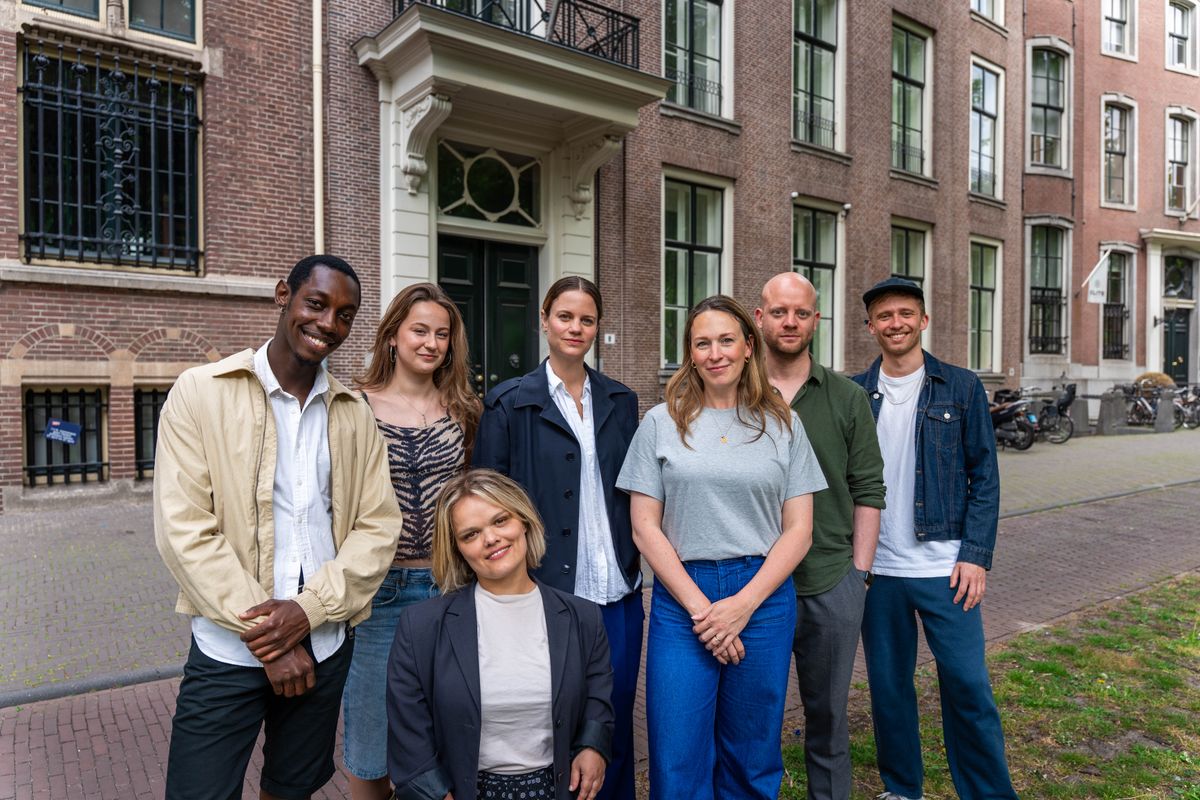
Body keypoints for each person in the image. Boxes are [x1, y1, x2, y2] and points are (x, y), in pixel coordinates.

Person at [154, 254, 402, 800]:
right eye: (316, 304)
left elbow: (378, 528)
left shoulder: (353, 413)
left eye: (344, 315)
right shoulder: (200, 392)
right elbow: (184, 529)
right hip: (228, 649)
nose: (328, 323)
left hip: (324, 644)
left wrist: (308, 613)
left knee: (291, 789)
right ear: (282, 295)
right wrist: (272, 640)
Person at [616, 295, 827, 800]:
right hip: (682, 598)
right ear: (689, 353)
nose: (715, 354)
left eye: (726, 340)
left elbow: (799, 530)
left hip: (763, 597)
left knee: (752, 753)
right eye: (702, 343)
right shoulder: (660, 423)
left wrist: (742, 606)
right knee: (677, 753)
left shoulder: (783, 423)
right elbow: (644, 527)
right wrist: (704, 612)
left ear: (749, 346)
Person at [473, 276, 642, 800]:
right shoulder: (508, 404)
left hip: (617, 591)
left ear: (597, 326)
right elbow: (488, 505)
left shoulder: (622, 401)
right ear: (543, 320)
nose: (576, 328)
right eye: (565, 317)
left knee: (613, 719)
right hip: (548, 592)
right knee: (554, 722)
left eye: (587, 319)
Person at [852, 277, 1018, 800]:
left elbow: (984, 477)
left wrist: (976, 555)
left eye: (905, 313)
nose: (895, 323)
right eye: (884, 316)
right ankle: (902, 788)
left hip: (946, 568)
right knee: (888, 688)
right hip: (877, 570)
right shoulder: (854, 393)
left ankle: (989, 794)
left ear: (923, 320)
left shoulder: (961, 387)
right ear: (870, 327)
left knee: (968, 685)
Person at [386, 468, 614, 800]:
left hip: (555, 790)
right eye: (471, 534)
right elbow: (408, 730)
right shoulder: (421, 626)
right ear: (458, 549)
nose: (491, 538)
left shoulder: (583, 617)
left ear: (523, 522)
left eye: (500, 520)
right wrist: (435, 795)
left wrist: (593, 746)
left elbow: (598, 693)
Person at [342, 283, 481, 800]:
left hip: (450, 586)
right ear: (393, 335)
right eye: (420, 330)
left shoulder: (464, 409)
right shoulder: (355, 406)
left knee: (446, 730)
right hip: (379, 593)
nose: (431, 343)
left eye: (442, 334)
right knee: (371, 737)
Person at [755, 272, 886, 800]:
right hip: (750, 586)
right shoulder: (733, 391)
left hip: (830, 582)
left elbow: (868, 488)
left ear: (816, 320)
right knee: (751, 718)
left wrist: (859, 575)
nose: (790, 322)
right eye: (779, 312)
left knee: (829, 720)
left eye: (801, 313)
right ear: (759, 318)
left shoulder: (848, 398)